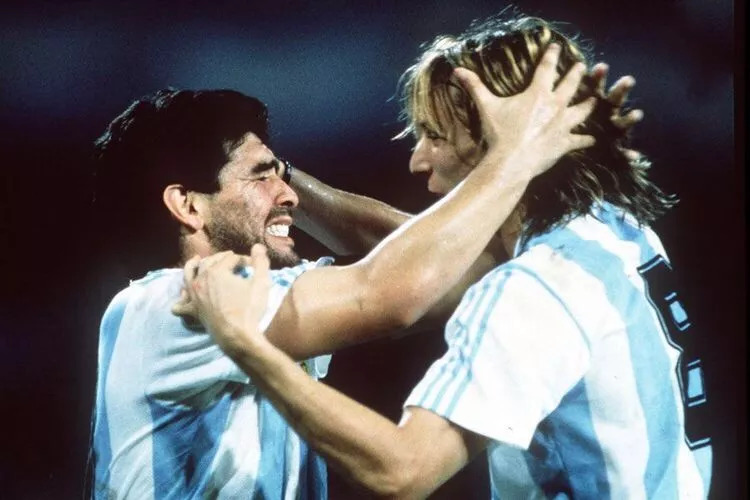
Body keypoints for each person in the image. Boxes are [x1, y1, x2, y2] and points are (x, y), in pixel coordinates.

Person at [177, 14, 712, 499]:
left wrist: (245, 344)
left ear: (498, 141)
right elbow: (409, 249)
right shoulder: (615, 228)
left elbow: (402, 472)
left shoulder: (532, 290)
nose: (418, 160)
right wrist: (272, 175)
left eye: (435, 135)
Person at [90, 41, 599, 498]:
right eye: (261, 176)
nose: (290, 196)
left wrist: (280, 178)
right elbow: (393, 290)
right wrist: (515, 156)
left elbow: (441, 265)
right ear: (186, 204)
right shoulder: (179, 303)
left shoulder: (253, 299)